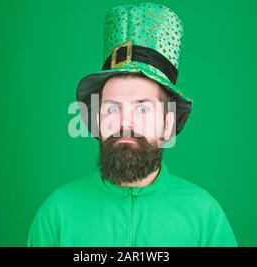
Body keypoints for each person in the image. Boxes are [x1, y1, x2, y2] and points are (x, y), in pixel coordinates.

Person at [28, 2, 237, 247]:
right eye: (112, 108)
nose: (125, 122)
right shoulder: (56, 215)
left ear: (167, 123)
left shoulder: (206, 217)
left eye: (143, 108)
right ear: (96, 120)